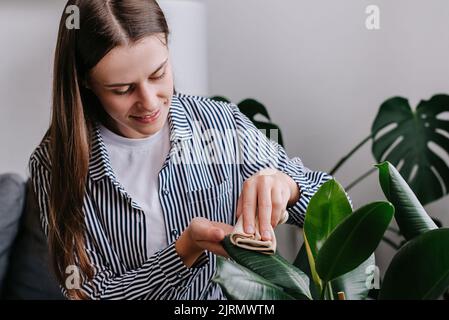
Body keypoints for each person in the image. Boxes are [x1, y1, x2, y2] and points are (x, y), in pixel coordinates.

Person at [29, 0, 331, 300]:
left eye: (158, 74)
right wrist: (186, 249)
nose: (148, 101)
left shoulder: (221, 123)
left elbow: (338, 207)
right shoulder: (54, 163)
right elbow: (88, 294)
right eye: (122, 89)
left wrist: (288, 187)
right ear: (86, 83)